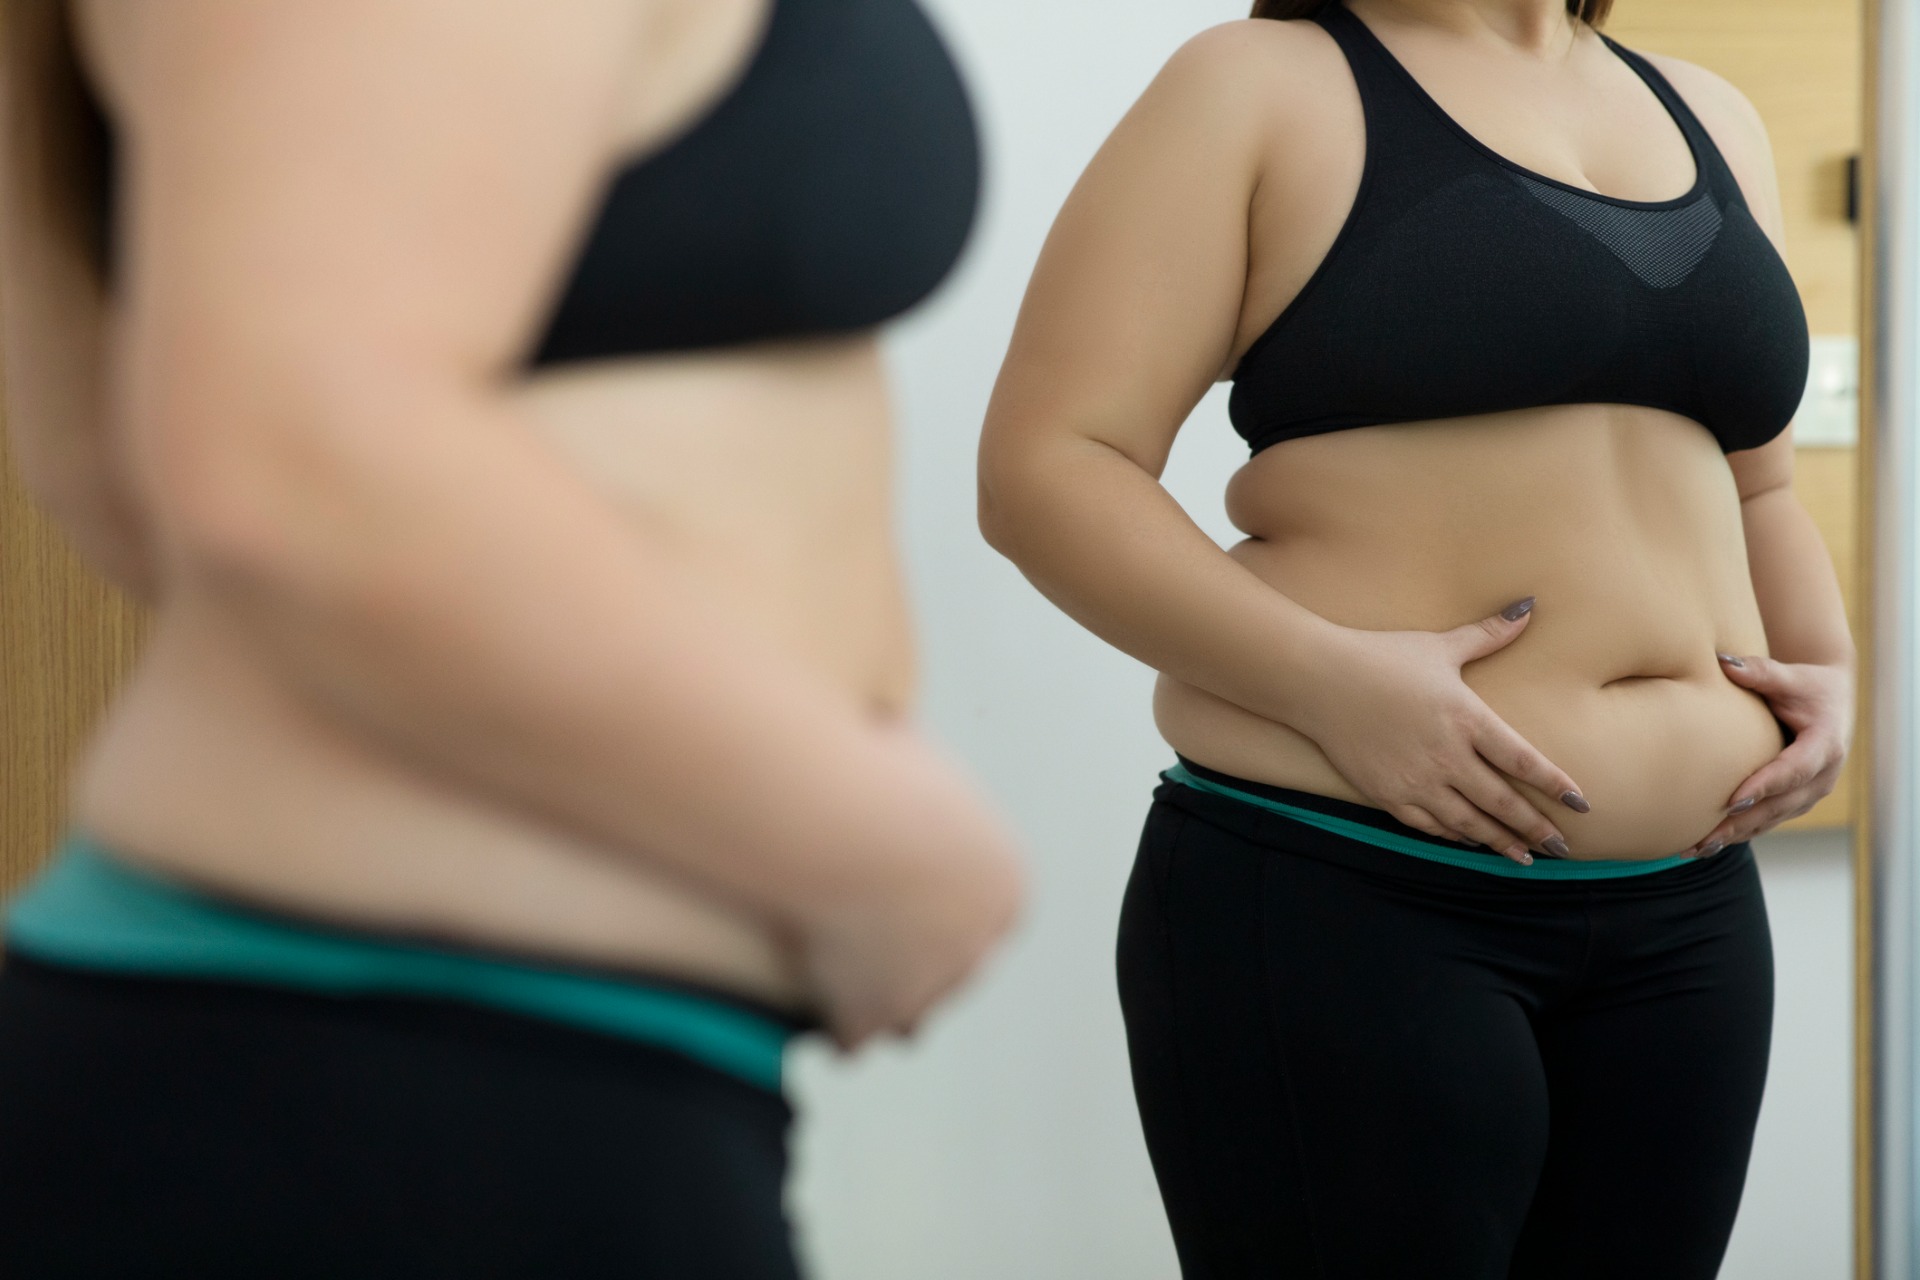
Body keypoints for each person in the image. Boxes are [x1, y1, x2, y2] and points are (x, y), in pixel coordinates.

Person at [0, 1, 1022, 1274]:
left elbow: (98, 451)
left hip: (475, 1075)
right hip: (370, 1082)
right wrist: (884, 848)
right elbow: (289, 461)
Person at [978, 0, 1853, 1274]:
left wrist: (1828, 671)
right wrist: (1331, 685)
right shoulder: (1258, 85)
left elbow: (1756, 483)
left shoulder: (1710, 110)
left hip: (1690, 917)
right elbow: (1049, 468)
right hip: (1355, 893)